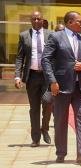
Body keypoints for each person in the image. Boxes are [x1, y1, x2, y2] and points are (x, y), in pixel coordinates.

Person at [41, 11, 81, 163]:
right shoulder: (55, 37)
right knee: (60, 120)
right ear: (70, 22)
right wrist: (52, 81)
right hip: (61, 87)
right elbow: (45, 60)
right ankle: (61, 152)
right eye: (79, 21)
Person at [14, 11, 52, 147]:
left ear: (43, 20)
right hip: (32, 76)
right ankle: (35, 138)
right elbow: (20, 57)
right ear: (31, 21)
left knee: (48, 103)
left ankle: (45, 129)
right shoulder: (24, 36)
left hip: (48, 76)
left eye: (39, 19)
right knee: (34, 108)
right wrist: (17, 76)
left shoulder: (51, 35)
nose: (36, 21)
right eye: (34, 19)